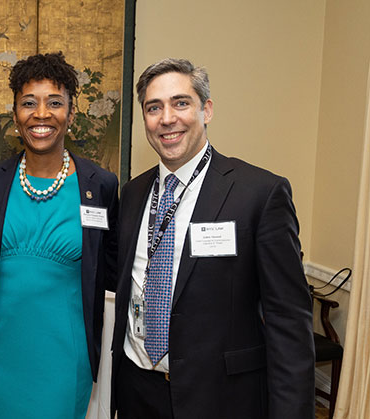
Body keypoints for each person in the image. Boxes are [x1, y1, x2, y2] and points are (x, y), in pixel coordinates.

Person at [111, 58, 315, 418]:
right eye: (153, 107)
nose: (167, 118)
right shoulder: (132, 194)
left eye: (181, 103)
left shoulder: (259, 194)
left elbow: (289, 322)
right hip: (137, 391)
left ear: (206, 110)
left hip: (221, 398)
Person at [0, 52, 119, 419]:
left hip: (66, 359)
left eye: (55, 103)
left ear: (71, 111)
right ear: (15, 113)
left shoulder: (100, 186)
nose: (41, 114)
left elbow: (110, 272)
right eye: (28, 103)